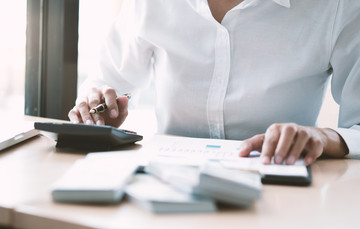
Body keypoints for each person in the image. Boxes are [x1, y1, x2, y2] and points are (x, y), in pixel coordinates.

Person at [69, 0, 360, 165]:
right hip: (166, 183)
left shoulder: (337, 7)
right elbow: (107, 80)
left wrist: (323, 137)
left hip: (278, 193)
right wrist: (98, 105)